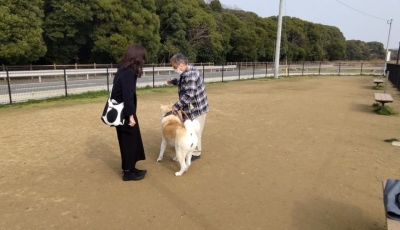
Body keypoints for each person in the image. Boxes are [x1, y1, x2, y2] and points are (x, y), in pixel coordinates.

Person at [111, 44, 147, 181]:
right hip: (125, 113)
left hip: (122, 111)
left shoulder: (123, 68)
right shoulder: (128, 72)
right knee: (129, 141)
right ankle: (128, 172)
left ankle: (130, 168)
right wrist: (130, 116)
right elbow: (127, 95)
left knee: (129, 140)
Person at [167, 53, 209, 161]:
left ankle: (195, 153)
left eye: (175, 67)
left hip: (197, 108)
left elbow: (189, 94)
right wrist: (173, 81)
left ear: (182, 64)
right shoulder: (185, 72)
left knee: (195, 131)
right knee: (188, 129)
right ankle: (189, 147)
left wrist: (176, 106)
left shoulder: (191, 74)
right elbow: (184, 83)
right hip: (189, 108)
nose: (174, 69)